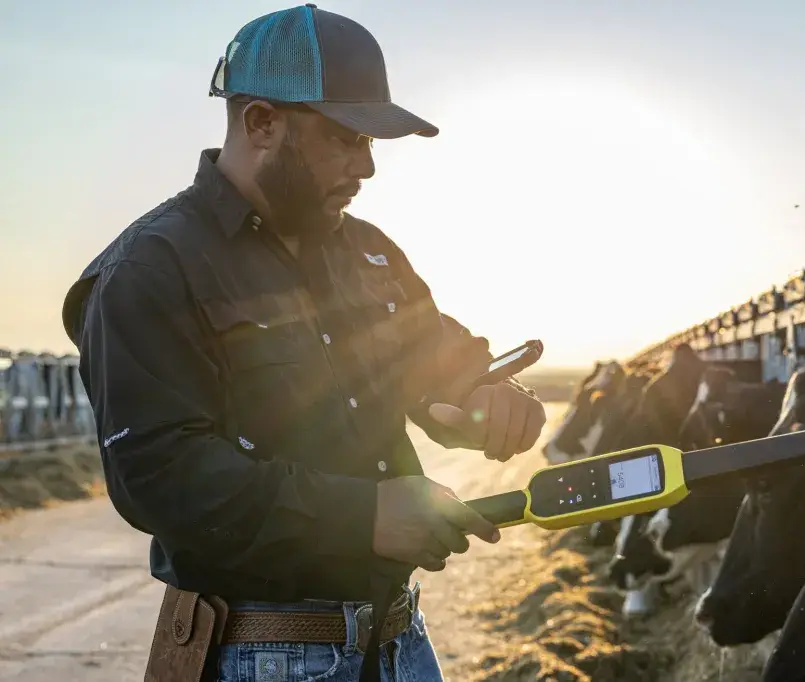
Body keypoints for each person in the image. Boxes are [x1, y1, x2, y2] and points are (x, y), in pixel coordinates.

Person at [60, 5, 547, 682]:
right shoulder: (148, 270)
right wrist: (363, 516)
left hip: (402, 641)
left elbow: (437, 361)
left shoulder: (370, 253)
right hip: (259, 654)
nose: (368, 167)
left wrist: (485, 397)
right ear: (262, 122)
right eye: (347, 138)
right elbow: (158, 476)